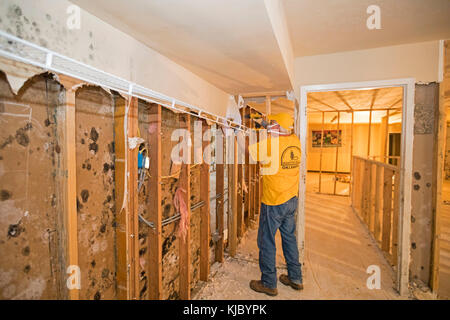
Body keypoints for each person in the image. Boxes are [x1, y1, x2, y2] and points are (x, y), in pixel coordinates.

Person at [247, 112, 303, 297]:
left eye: (272, 124)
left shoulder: (270, 145)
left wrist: (231, 132)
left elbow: (247, 151)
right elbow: (279, 131)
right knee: (289, 238)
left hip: (274, 202)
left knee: (266, 241)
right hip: (291, 200)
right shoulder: (295, 140)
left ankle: (269, 283)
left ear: (277, 128)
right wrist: (264, 123)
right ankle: (295, 278)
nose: (269, 126)